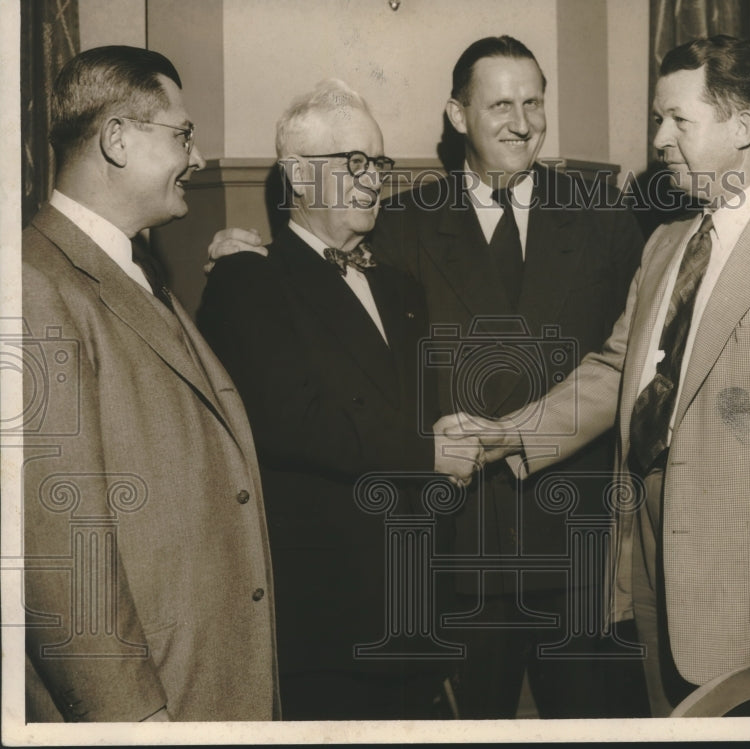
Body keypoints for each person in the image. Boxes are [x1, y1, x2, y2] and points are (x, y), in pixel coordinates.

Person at [443, 35, 750, 716]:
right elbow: (618, 369)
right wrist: (511, 434)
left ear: (742, 128)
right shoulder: (666, 242)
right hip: (648, 576)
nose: (658, 140)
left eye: (678, 121)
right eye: (658, 119)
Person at [207, 35, 648, 719]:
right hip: (454, 558)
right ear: (455, 113)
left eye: (534, 102)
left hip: (576, 550)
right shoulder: (400, 220)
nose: (522, 122)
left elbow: (633, 359)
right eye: (500, 103)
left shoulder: (607, 218)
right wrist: (245, 250)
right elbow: (322, 282)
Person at [197, 79, 477, 720]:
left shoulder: (401, 287)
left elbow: (406, 418)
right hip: (326, 621)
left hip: (416, 610)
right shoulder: (250, 279)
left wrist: (450, 444)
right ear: (296, 175)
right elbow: (292, 423)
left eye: (378, 163)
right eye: (352, 162)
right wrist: (430, 452)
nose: (373, 178)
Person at [21, 46, 278, 721]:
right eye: (183, 134)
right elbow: (60, 544)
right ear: (116, 139)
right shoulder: (32, 283)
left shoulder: (138, 268)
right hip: (149, 707)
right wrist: (130, 718)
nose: (197, 157)